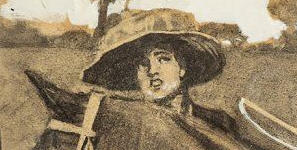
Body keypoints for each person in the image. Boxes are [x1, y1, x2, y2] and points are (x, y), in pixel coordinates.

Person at [83, 8, 237, 133]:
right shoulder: (124, 125)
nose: (152, 71)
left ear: (182, 67)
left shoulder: (220, 124)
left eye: (163, 59)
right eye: (143, 64)